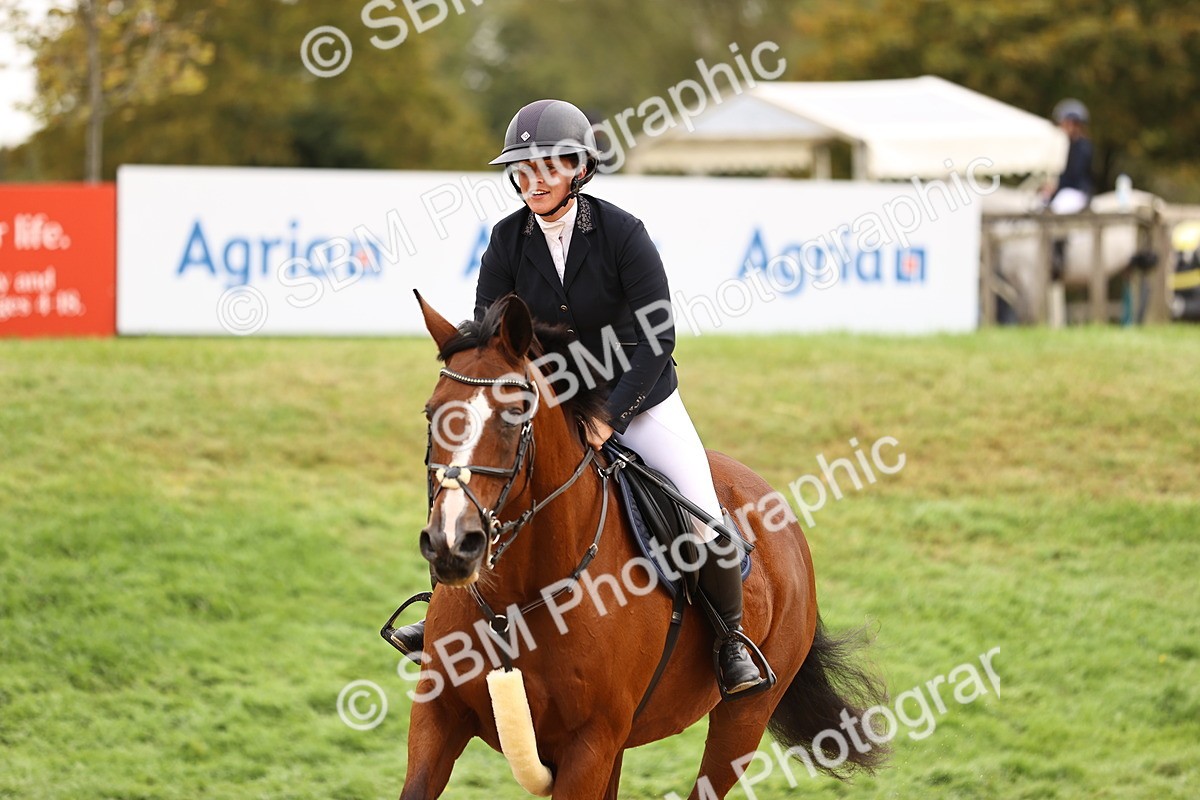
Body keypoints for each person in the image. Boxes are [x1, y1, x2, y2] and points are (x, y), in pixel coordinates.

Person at [388, 99, 766, 698]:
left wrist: (613, 416)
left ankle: (729, 640)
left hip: (638, 398)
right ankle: (444, 617)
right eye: (522, 168)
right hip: (552, 401)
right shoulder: (507, 239)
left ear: (578, 169)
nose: (531, 180)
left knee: (704, 519)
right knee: (477, 484)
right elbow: (492, 333)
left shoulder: (621, 233)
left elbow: (658, 333)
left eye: (545, 167)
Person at [1043, 98, 1094, 214]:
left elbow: (1074, 173)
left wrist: (1055, 186)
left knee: (1061, 206)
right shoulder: (1059, 143)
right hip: (1059, 191)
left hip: (1075, 191)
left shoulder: (1083, 147)